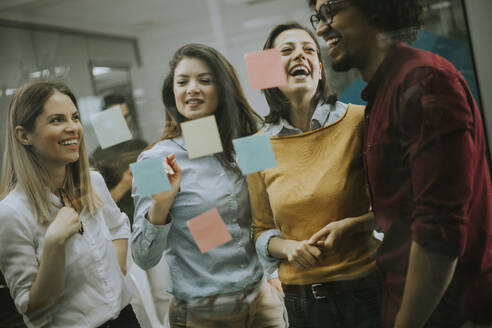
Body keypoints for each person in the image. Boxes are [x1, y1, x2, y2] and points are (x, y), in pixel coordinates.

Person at [308, 0, 492, 327]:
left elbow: (439, 233)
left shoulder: (424, 81)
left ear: (375, 8)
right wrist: (357, 224)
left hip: (445, 310)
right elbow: (411, 202)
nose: (321, 28)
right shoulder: (383, 91)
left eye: (331, 11)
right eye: (318, 17)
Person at [131, 43, 286, 328]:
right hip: (203, 313)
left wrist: (273, 276)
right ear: (172, 92)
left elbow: (271, 217)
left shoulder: (250, 145)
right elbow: (143, 258)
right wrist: (161, 204)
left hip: (262, 300)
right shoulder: (152, 160)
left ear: (222, 89)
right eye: (183, 81)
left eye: (204, 80)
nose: (192, 88)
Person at [248, 22, 381, 328]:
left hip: (368, 290)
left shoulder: (360, 120)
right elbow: (259, 230)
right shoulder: (253, 147)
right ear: (268, 70)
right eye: (287, 51)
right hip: (303, 302)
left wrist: (351, 226)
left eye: (308, 50)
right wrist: (288, 248)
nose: (299, 56)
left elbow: (394, 209)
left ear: (319, 71)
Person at [0, 80, 139, 327]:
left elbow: (118, 227)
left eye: (75, 117)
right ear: (23, 135)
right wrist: (54, 243)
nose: (73, 127)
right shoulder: (11, 213)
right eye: (57, 120)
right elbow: (31, 308)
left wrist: (113, 275)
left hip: (125, 319)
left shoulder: (93, 182)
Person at [90, 93, 147, 225]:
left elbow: (156, 191)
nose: (124, 122)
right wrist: (124, 185)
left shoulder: (140, 146)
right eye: (118, 118)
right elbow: (96, 208)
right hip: (119, 229)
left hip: (146, 221)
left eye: (126, 117)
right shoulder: (97, 157)